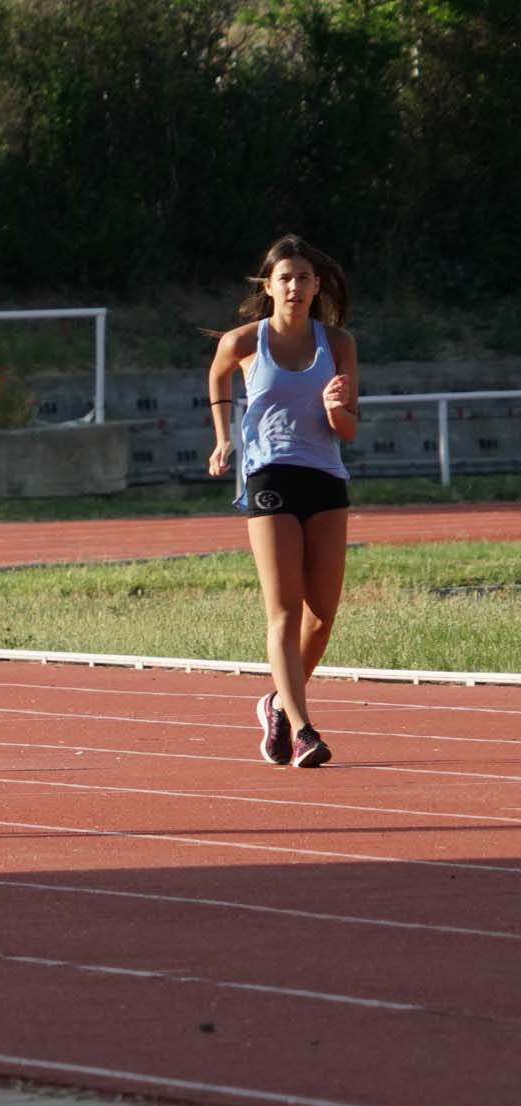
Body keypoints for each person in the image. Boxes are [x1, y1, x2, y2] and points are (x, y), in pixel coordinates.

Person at [206, 235, 358, 768]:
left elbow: (349, 429)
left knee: (323, 613)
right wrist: (225, 436)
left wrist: (335, 407)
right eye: (285, 278)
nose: (295, 286)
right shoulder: (244, 341)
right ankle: (302, 729)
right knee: (286, 609)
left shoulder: (337, 343)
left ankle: (275, 702)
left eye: (304, 278)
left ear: (318, 287)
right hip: (269, 476)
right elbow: (218, 374)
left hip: (326, 478)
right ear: (268, 286)